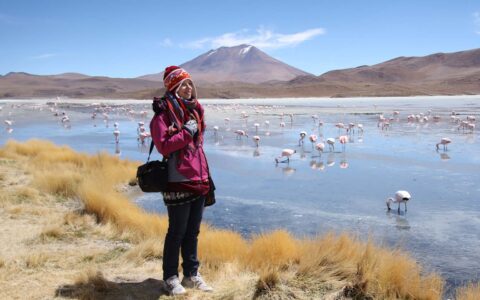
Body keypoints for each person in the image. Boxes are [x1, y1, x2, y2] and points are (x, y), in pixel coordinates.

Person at [150, 66, 214, 296]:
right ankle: (170, 278)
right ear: (173, 88)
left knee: (193, 231)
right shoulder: (162, 115)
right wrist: (186, 131)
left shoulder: (196, 112)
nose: (188, 88)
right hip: (177, 179)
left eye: (189, 83)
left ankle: (191, 274)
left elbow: (196, 146)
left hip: (198, 178)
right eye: (182, 85)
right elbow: (164, 146)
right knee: (176, 231)